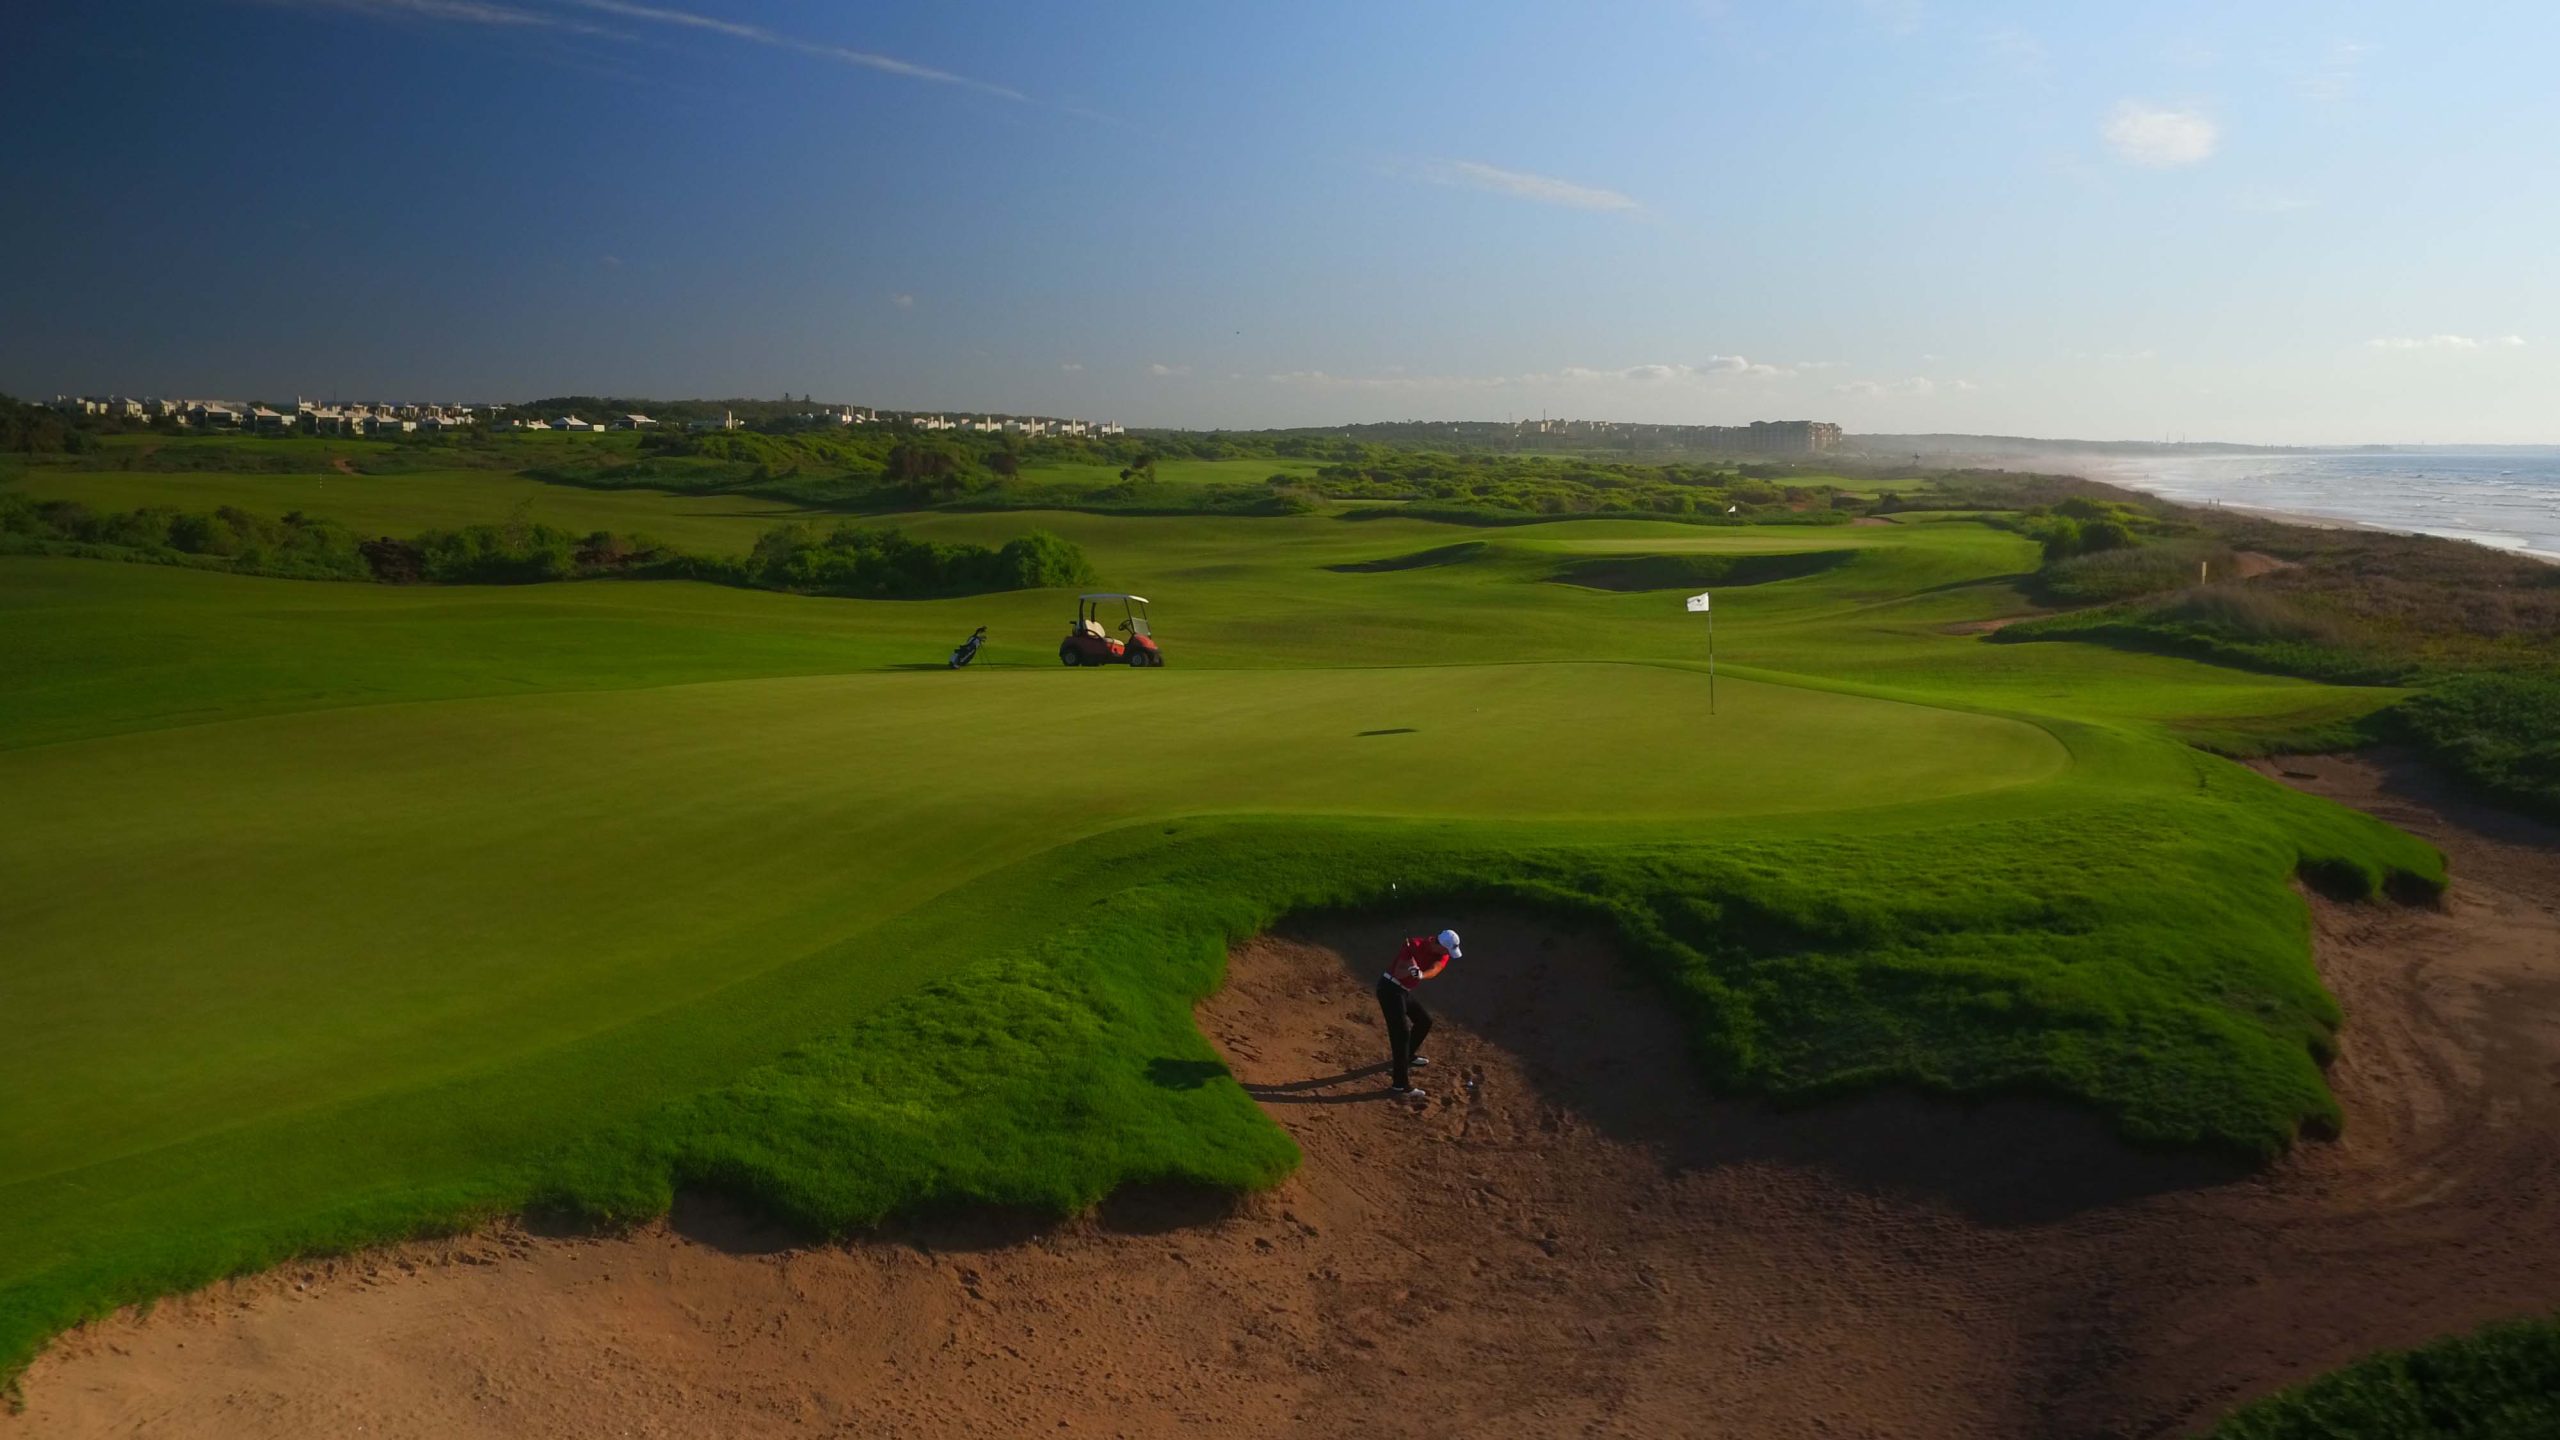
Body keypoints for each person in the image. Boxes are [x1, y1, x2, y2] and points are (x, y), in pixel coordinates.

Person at [1378, 928, 1459, 1099]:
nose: (1449, 954)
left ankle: (1407, 1056)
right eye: (1448, 950)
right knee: (1401, 1034)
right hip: (1389, 988)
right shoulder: (1414, 944)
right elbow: (1399, 972)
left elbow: (1435, 969)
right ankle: (1400, 1086)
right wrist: (1410, 969)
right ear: (1438, 944)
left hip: (1403, 991)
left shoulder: (1442, 955)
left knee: (1424, 1021)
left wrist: (1421, 974)